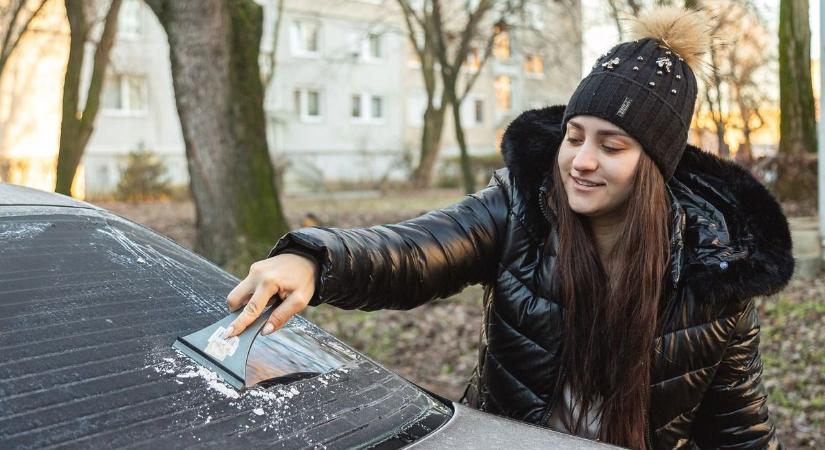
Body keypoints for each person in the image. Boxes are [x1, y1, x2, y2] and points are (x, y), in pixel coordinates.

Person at [224, 6, 792, 450]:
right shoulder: (522, 207)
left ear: (655, 168)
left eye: (611, 146)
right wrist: (314, 260)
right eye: (575, 136)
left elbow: (737, 430)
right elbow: (415, 252)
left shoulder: (716, 275)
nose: (581, 161)